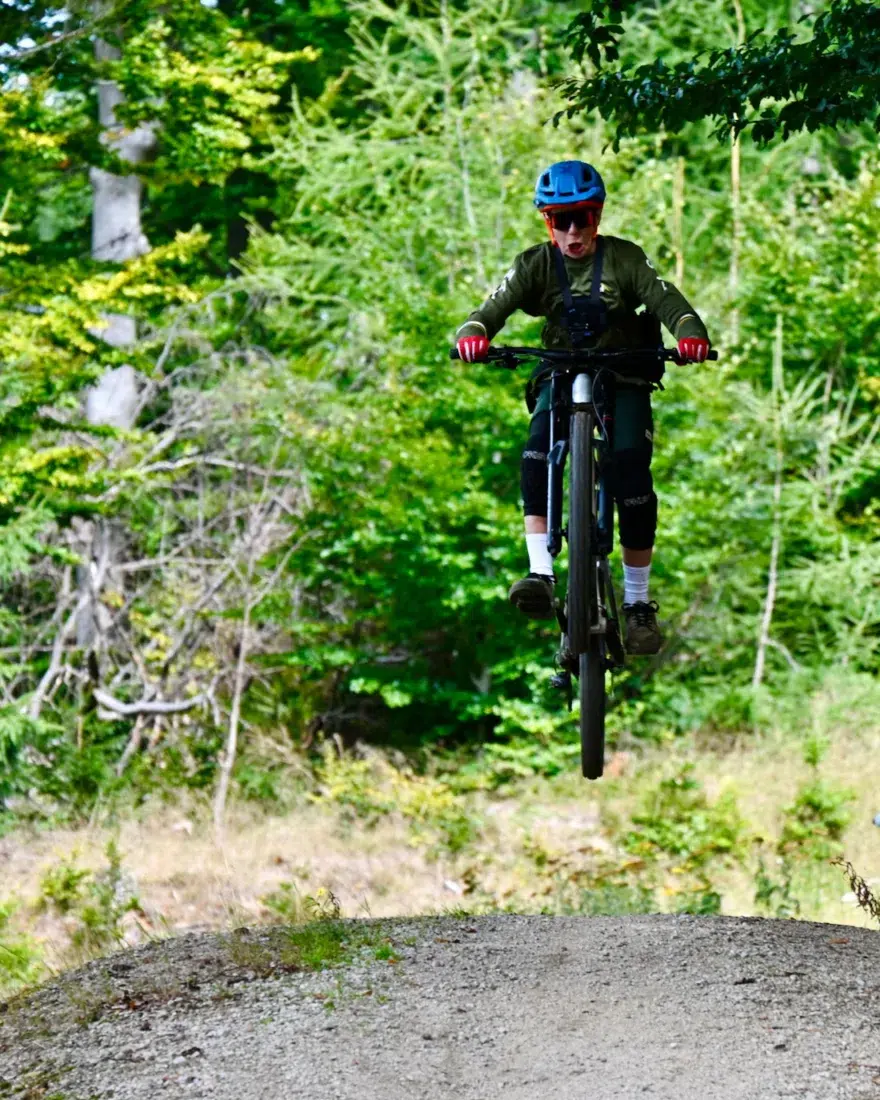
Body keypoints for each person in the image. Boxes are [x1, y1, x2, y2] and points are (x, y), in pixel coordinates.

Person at [455, 160, 711, 655]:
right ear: (547, 222)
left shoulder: (625, 259)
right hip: (560, 369)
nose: (573, 231)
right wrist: (474, 334)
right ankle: (541, 573)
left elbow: (669, 303)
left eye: (584, 218)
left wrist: (690, 334)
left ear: (598, 216)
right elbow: (490, 309)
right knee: (534, 453)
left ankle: (637, 606)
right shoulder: (535, 264)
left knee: (633, 475)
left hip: (626, 373)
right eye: (560, 220)